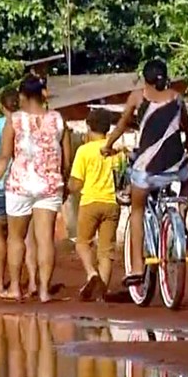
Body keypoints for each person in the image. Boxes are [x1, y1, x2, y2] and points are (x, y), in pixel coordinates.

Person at [100, 59, 188, 287]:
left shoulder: (137, 97)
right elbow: (187, 128)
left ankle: (138, 267)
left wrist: (107, 146)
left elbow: (122, 125)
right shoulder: (177, 98)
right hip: (175, 166)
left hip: (146, 169)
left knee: (137, 210)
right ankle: (180, 217)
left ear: (146, 79)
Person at [0, 75, 73, 303]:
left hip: (20, 184)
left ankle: (15, 287)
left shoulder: (13, 121)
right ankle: (44, 291)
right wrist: (63, 182)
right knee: (45, 240)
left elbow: (4, 157)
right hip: (49, 185)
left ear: (22, 96)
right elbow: (66, 158)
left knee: (16, 238)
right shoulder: (57, 119)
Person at [0, 89, 39, 298]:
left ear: (2, 106)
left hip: (4, 186)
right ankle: (32, 282)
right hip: (28, 187)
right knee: (27, 237)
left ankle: (0, 283)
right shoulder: (31, 124)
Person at [68, 108, 122, 301]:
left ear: (89, 127)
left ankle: (92, 274)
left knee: (82, 243)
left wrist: (67, 187)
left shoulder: (84, 151)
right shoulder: (117, 151)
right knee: (106, 252)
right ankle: (102, 293)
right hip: (112, 203)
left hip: (90, 202)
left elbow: (75, 183)